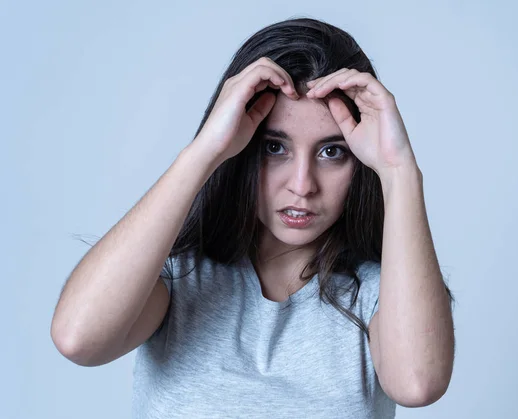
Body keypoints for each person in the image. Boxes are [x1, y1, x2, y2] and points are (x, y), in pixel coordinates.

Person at [51, 16, 455, 418]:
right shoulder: (176, 280)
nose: (302, 185)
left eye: (332, 152)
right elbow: (77, 340)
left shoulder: (376, 296)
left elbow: (417, 384)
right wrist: (204, 151)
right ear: (242, 149)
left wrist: (399, 171)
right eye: (274, 148)